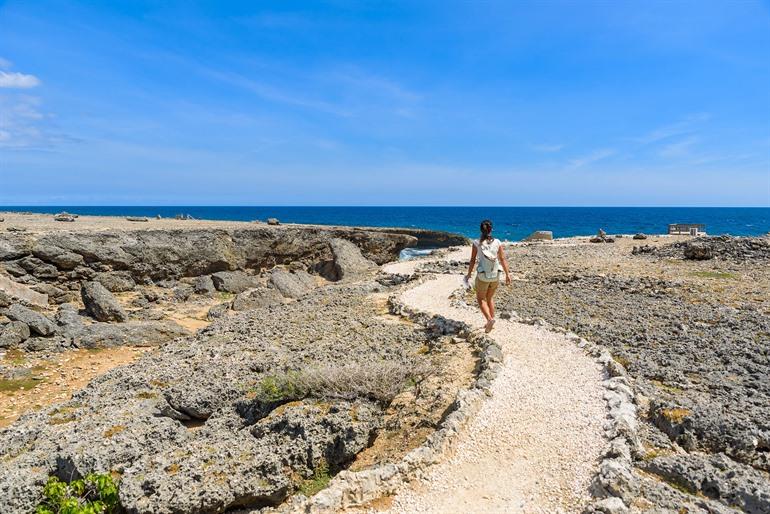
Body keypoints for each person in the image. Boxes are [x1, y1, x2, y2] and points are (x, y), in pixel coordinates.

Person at [465, 219, 511, 332]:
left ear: (481, 230)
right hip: (496, 275)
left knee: (481, 299)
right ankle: (492, 321)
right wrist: (507, 274)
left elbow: (472, 260)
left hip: (483, 276)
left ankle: (489, 320)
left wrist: (469, 274)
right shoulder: (498, 242)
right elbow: (502, 258)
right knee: (490, 298)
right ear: (491, 229)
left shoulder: (476, 243)